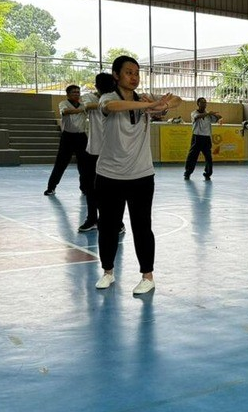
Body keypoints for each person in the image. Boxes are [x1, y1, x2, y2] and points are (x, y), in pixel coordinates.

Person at [93, 55, 181, 295]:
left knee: (142, 226)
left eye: (137, 73)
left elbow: (177, 99)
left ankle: (147, 276)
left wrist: (163, 105)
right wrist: (148, 106)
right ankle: (108, 272)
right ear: (116, 75)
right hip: (109, 175)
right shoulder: (108, 98)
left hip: (141, 175)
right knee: (108, 227)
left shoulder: (145, 98)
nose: (134, 77)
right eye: (129, 72)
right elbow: (113, 108)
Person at [77, 72, 116, 232]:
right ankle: (92, 219)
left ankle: (117, 223)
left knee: (112, 191)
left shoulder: (116, 98)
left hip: (112, 151)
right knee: (90, 188)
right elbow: (86, 107)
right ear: (97, 87)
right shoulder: (90, 97)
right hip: (93, 150)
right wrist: (107, 104)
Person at [44, 84, 92, 196]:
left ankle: (84, 188)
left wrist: (85, 107)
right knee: (61, 163)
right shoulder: (64, 103)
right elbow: (65, 111)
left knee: (84, 165)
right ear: (68, 94)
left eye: (78, 92)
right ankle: (51, 188)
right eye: (73, 92)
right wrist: (81, 110)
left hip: (81, 137)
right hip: (68, 137)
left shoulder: (84, 105)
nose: (76, 94)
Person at [183, 97, 221, 181]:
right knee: (192, 156)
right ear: (198, 104)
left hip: (206, 138)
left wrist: (215, 115)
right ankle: (187, 173)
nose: (204, 104)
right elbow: (197, 117)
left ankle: (207, 173)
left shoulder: (208, 115)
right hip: (197, 137)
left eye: (205, 102)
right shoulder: (194, 113)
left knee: (208, 157)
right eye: (202, 102)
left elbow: (218, 117)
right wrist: (208, 114)